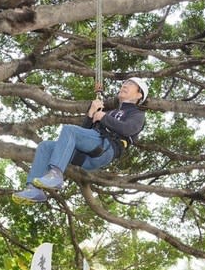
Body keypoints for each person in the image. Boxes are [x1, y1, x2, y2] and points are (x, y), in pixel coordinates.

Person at [12, 78, 148, 204]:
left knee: (70, 129)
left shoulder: (137, 114)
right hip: (88, 156)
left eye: (130, 84)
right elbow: (81, 134)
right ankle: (33, 190)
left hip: (106, 148)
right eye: (124, 83)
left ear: (139, 95)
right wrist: (91, 114)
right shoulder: (111, 111)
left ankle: (55, 175)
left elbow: (129, 129)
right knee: (45, 146)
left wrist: (103, 117)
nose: (124, 85)